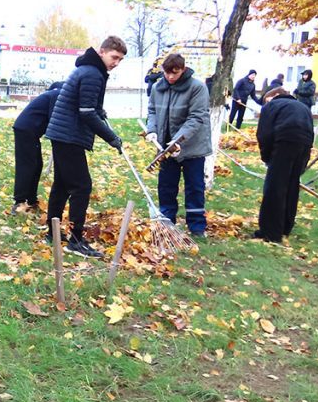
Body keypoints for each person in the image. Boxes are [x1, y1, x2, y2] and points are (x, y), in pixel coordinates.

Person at [44, 36, 127, 258]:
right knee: (82, 186)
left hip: (63, 133)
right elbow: (86, 112)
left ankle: (52, 233)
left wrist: (99, 111)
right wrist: (111, 137)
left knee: (62, 184)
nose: (116, 62)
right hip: (68, 134)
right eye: (114, 57)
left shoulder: (90, 69)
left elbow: (88, 106)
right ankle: (76, 240)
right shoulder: (92, 73)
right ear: (102, 52)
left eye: (120, 59)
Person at [145, 53, 211, 237]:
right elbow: (151, 111)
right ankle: (167, 221)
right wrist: (152, 130)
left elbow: (197, 117)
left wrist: (179, 139)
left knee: (194, 187)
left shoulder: (197, 88)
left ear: (183, 69)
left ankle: (197, 226)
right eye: (167, 73)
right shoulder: (158, 87)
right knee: (166, 186)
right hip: (165, 147)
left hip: (192, 146)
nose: (170, 77)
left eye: (175, 73)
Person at [255, 86, 314, 243]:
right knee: (291, 185)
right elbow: (310, 135)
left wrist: (267, 157)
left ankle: (270, 232)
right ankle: (286, 227)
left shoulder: (272, 105)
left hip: (284, 141)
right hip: (303, 144)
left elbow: (264, 134)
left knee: (275, 187)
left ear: (273, 96)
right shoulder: (303, 107)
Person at [11, 81, 63, 213]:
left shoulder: (52, 94)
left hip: (29, 130)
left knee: (36, 164)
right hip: (27, 130)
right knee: (27, 165)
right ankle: (19, 202)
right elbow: (54, 119)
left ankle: (31, 200)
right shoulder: (57, 95)